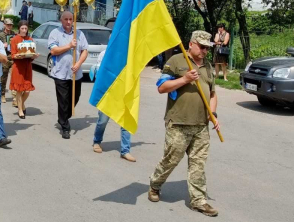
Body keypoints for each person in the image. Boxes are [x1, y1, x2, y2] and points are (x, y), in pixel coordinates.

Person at [148, 31, 219, 217]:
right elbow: (161, 88)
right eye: (202, 47)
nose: (205, 51)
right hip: (178, 122)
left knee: (198, 164)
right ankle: (155, 185)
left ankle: (199, 200)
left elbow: (212, 94)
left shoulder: (208, 66)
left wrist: (213, 114)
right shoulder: (177, 61)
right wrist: (185, 79)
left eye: (207, 48)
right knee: (171, 160)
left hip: (201, 124)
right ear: (191, 44)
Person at [48, 11, 88, 139]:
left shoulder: (79, 34)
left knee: (75, 98)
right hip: (60, 73)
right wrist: (69, 45)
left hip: (76, 73)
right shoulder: (55, 33)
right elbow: (54, 50)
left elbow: (84, 51)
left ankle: (63, 117)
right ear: (61, 20)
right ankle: (65, 126)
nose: (69, 22)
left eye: (71, 19)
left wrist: (79, 63)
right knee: (63, 101)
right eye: (66, 19)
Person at [92, 49, 136, 162]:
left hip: (124, 93)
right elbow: (100, 74)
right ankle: (97, 142)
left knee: (126, 122)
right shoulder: (105, 53)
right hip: (108, 93)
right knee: (103, 121)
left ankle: (125, 151)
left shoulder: (130, 54)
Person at [10, 20, 39, 118]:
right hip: (18, 67)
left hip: (27, 66)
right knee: (19, 89)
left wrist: (34, 56)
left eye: (26, 28)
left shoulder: (30, 39)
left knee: (27, 90)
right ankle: (20, 110)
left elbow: (31, 52)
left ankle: (21, 104)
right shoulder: (14, 39)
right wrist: (19, 56)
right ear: (19, 28)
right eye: (22, 28)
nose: (24, 30)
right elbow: (13, 55)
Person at [0, 18, 15, 103]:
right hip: (5, 57)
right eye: (8, 25)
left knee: (14, 76)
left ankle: (14, 95)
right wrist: (2, 45)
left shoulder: (14, 34)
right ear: (4, 25)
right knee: (4, 77)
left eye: (10, 25)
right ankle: (2, 94)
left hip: (13, 56)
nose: (9, 26)